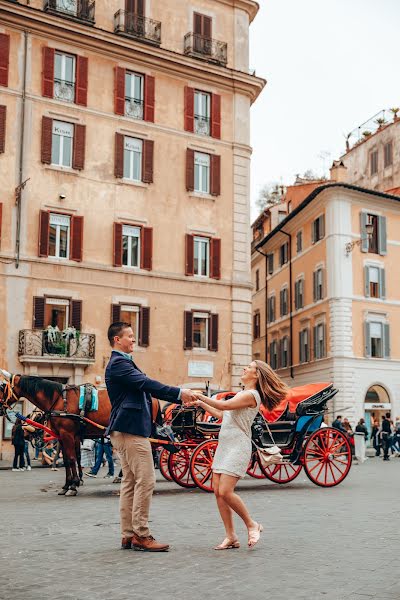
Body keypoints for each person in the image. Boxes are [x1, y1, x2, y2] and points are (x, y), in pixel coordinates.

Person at [105, 321, 195, 552]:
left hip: (126, 429)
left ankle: (128, 535)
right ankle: (141, 535)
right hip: (131, 430)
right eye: (131, 336)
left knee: (130, 482)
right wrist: (179, 393)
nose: (134, 340)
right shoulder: (119, 364)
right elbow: (147, 384)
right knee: (146, 480)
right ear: (118, 339)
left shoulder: (123, 363)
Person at [191, 360, 288, 550]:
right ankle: (231, 536)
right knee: (218, 492)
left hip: (238, 446)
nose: (244, 368)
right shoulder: (242, 394)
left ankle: (252, 524)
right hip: (225, 445)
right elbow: (222, 415)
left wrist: (200, 396)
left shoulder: (252, 395)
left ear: (257, 374)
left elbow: (225, 406)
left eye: (249, 367)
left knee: (226, 491)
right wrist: (200, 403)